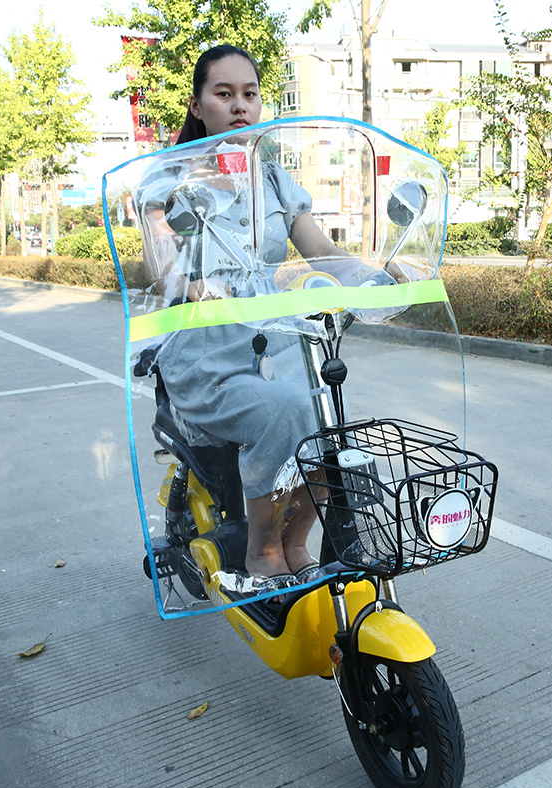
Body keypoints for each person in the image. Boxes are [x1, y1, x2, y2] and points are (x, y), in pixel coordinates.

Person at [153, 44, 402, 589]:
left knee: (330, 419)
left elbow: (322, 251)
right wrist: (190, 283)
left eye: (250, 94)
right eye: (224, 94)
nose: (239, 106)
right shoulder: (170, 179)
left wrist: (377, 276)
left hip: (274, 336)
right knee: (288, 410)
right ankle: (261, 547)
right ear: (198, 105)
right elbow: (160, 261)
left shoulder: (271, 179)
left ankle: (294, 539)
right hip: (205, 347)